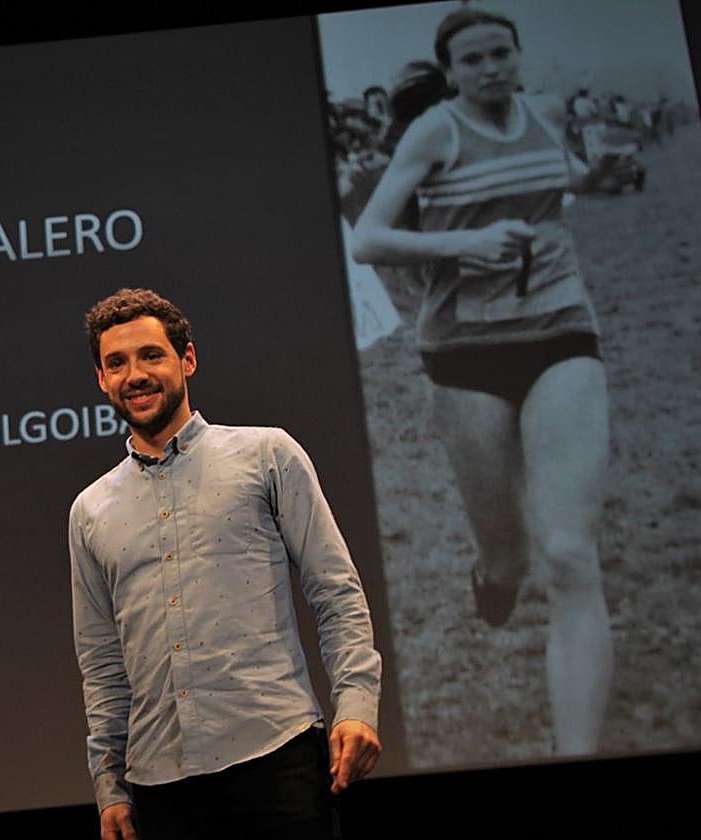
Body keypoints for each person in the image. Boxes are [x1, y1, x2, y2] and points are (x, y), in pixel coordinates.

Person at [351, 8, 613, 756]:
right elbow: (369, 238)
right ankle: (495, 575)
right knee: (510, 557)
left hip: (562, 330)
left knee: (570, 552)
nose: (491, 68)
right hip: (465, 351)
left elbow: (560, 183)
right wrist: (470, 242)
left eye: (502, 53)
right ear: (452, 72)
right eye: (473, 60)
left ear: (520, 56)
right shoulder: (435, 132)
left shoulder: (548, 114)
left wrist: (597, 179)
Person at [69, 288, 381, 840]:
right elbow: (102, 663)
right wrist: (109, 784)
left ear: (187, 359)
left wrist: (356, 704)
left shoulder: (267, 455)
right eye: (116, 363)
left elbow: (334, 591)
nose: (135, 375)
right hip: (160, 787)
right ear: (101, 378)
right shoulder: (89, 510)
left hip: (277, 757)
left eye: (151, 355)